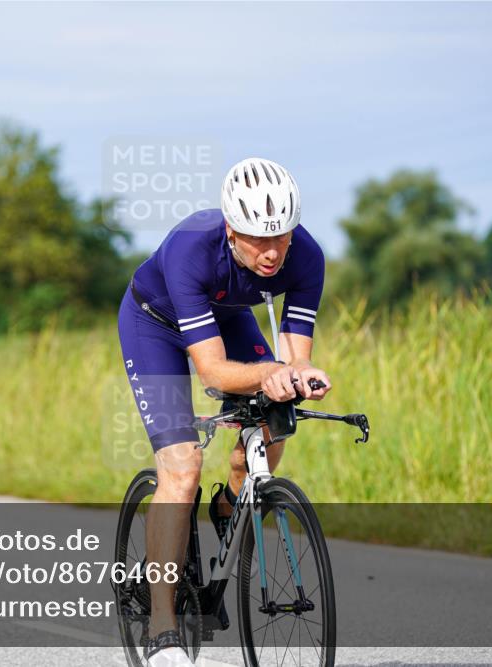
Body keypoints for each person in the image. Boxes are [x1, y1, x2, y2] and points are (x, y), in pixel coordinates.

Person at [116, 157, 332, 666]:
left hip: (228, 317)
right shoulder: (192, 248)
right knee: (183, 465)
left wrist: (301, 375)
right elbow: (212, 372)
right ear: (232, 230)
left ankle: (231, 502)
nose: (273, 251)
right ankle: (163, 629)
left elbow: (296, 354)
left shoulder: (307, 258)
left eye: (283, 235)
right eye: (259, 238)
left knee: (279, 413)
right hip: (155, 326)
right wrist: (268, 373)